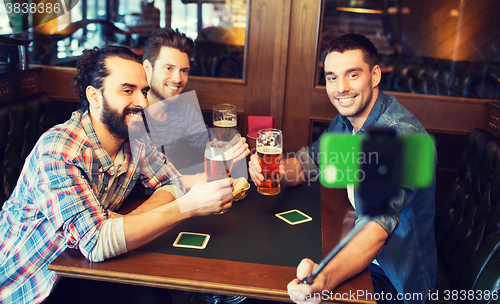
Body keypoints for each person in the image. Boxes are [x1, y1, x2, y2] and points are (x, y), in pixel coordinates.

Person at [0, 45, 234, 304]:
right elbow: (97, 242)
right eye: (127, 90)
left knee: (156, 297)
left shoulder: (134, 135)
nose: (142, 102)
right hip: (33, 283)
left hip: (81, 267)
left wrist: (125, 223)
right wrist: (188, 207)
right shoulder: (59, 149)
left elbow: (171, 181)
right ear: (94, 96)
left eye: (143, 91)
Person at [249, 34, 437, 303]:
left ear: (374, 76)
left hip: (391, 279)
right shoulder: (347, 121)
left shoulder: (401, 137)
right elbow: (307, 165)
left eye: (352, 74)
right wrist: (272, 170)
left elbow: (375, 228)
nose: (341, 88)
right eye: (332, 77)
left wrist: (323, 280)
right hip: (354, 247)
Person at [141, 28, 248, 177]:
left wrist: (234, 148)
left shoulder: (183, 110)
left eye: (184, 71)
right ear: (148, 68)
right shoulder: (131, 113)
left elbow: (209, 144)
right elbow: (137, 179)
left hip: (167, 193)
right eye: (168, 68)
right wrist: (192, 180)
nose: (178, 79)